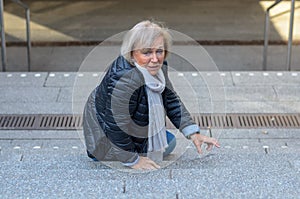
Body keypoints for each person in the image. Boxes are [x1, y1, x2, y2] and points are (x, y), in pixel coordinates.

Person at [83, 20, 220, 170]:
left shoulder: (159, 68)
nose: (155, 59)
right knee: (166, 145)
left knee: (169, 142)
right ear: (132, 53)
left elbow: (170, 100)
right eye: (147, 52)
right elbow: (115, 125)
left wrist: (193, 132)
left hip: (130, 126)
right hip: (104, 140)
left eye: (159, 51)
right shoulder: (124, 80)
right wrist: (133, 160)